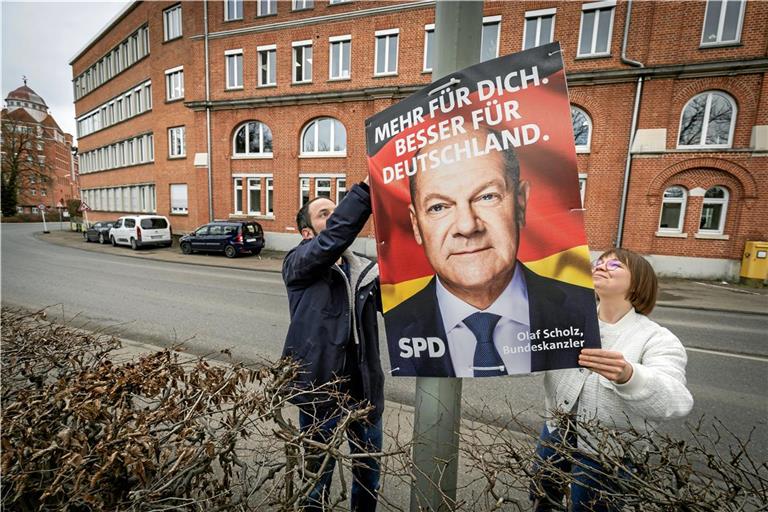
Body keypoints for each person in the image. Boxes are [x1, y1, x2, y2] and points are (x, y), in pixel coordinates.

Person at [386, 127, 600, 377]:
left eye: (487, 196)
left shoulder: (584, 311)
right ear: (416, 225)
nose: (467, 226)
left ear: (520, 203)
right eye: (439, 207)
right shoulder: (397, 323)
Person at [531, 247, 694, 511]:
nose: (601, 266)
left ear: (638, 282)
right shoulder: (566, 324)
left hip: (610, 451)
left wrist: (629, 376)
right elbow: (529, 364)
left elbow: (677, 400)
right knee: (542, 498)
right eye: (599, 261)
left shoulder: (657, 339)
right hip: (555, 431)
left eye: (615, 265)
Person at [281, 178, 384, 511]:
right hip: (320, 392)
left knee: (368, 479)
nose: (336, 216)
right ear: (308, 233)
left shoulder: (365, 272)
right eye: (325, 213)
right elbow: (335, 237)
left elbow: (403, 309)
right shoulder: (298, 265)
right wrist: (366, 191)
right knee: (316, 482)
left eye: (337, 211)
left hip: (364, 392)